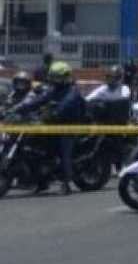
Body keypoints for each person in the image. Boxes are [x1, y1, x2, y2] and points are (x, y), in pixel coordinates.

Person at [14, 61, 86, 194]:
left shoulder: (72, 91)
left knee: (64, 149)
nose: (54, 80)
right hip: (52, 125)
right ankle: (41, 180)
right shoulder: (54, 90)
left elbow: (64, 106)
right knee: (33, 142)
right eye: (53, 77)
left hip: (69, 127)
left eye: (57, 77)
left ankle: (66, 183)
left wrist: (51, 114)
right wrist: (18, 108)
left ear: (66, 77)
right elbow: (39, 100)